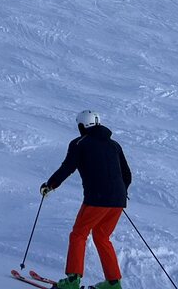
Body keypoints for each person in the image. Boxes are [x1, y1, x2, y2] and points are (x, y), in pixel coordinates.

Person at [39, 110, 131, 289]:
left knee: (79, 234)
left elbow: (67, 167)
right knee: (102, 237)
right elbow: (127, 174)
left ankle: (72, 280)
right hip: (118, 201)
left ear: (82, 126)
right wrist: (120, 194)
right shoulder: (114, 145)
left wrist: (50, 185)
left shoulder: (79, 143)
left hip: (97, 200)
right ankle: (113, 283)